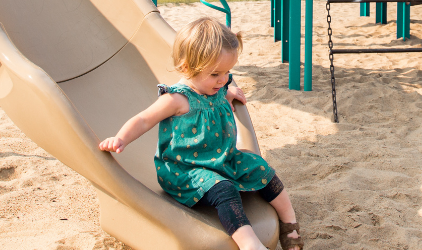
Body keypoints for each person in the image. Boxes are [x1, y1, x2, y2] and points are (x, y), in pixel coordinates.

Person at [99, 17, 303, 250]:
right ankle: (250, 245)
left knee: (262, 168)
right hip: (185, 171)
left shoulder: (216, 88)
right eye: (216, 74)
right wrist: (120, 138)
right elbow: (144, 119)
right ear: (187, 67)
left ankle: (290, 222)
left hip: (222, 159)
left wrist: (229, 91)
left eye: (227, 72)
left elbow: (219, 96)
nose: (223, 80)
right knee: (223, 189)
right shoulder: (177, 99)